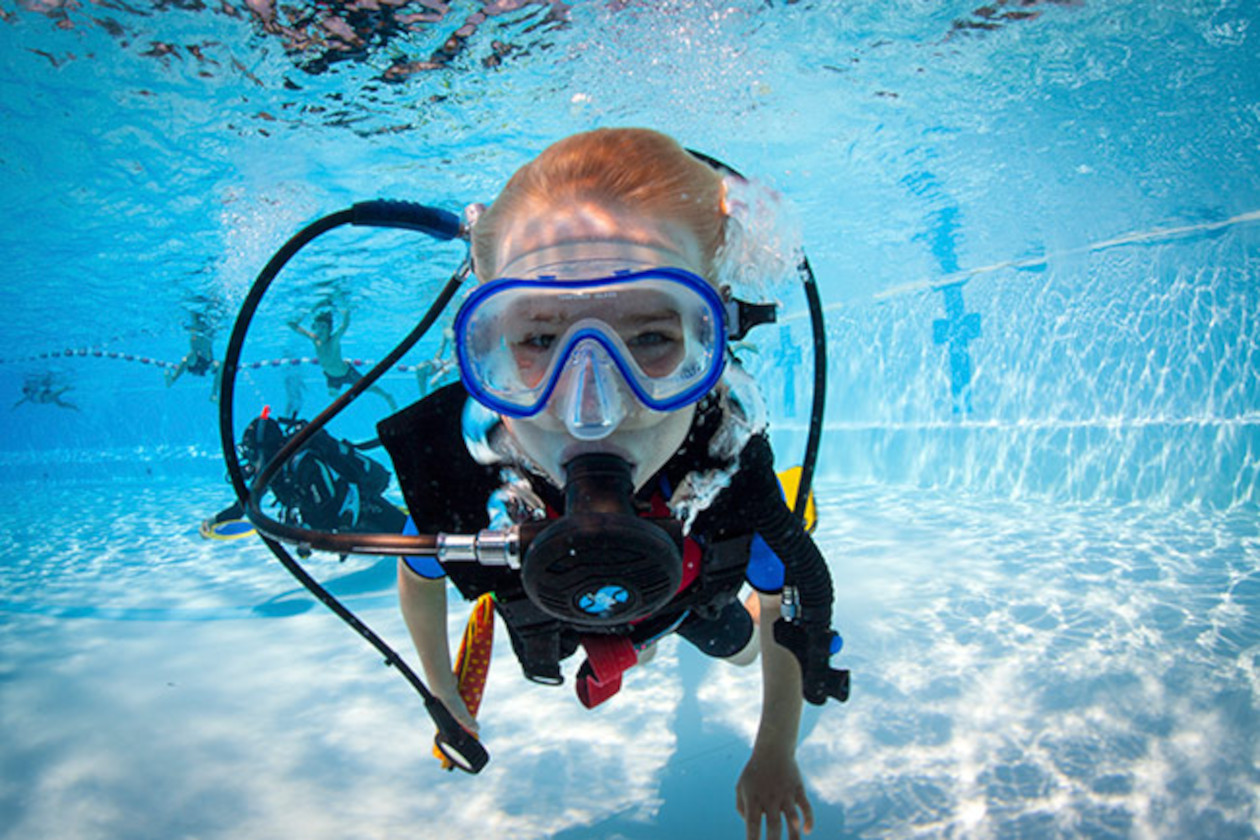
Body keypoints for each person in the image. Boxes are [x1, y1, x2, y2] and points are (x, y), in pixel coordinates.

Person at [377, 128, 842, 840]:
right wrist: (441, 693)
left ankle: (650, 638)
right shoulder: (458, 474)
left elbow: (782, 618)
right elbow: (421, 571)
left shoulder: (732, 470)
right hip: (555, 619)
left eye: (652, 339)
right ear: (488, 347)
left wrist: (773, 748)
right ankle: (633, 639)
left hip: (685, 602)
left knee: (745, 644)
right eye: (538, 341)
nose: (591, 408)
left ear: (714, 346)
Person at [204, 413, 406, 544]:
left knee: (410, 535)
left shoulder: (304, 463)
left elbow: (349, 490)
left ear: (264, 451)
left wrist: (341, 531)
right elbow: (249, 503)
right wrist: (217, 520)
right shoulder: (273, 469)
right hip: (336, 519)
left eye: (252, 453)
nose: (249, 460)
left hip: (360, 508)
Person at [289, 308, 397, 410]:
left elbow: (344, 326)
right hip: (331, 376)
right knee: (333, 394)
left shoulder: (333, 340)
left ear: (329, 329)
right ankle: (347, 407)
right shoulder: (315, 340)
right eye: (317, 327)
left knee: (367, 387)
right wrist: (306, 312)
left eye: (323, 327)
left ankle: (387, 396)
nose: (319, 330)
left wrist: (345, 312)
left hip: (347, 373)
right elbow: (292, 325)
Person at [12, 372, 78, 410]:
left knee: (60, 394)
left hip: (47, 397)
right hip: (47, 398)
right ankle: (74, 407)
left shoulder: (29, 395)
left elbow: (20, 402)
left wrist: (15, 405)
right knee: (60, 404)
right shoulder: (28, 396)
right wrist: (15, 405)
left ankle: (68, 387)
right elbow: (20, 402)